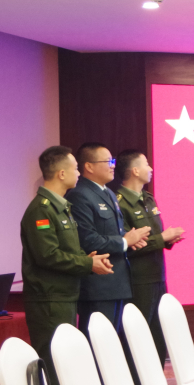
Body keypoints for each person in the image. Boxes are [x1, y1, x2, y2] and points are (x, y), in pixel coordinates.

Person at [21, 146, 112, 385]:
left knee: (66, 361)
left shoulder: (61, 206)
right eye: (74, 168)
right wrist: (87, 263)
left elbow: (67, 250)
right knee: (53, 363)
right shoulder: (41, 209)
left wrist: (88, 259)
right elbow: (47, 255)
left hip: (65, 295)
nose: (78, 173)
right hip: (49, 299)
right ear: (61, 174)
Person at [66, 143, 149, 336]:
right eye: (108, 161)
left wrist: (130, 239)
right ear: (89, 166)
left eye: (113, 161)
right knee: (98, 343)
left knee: (113, 343)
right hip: (98, 286)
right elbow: (88, 240)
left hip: (117, 283)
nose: (113, 165)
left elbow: (113, 231)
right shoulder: (80, 195)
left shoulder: (108, 193)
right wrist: (125, 242)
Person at [115, 150, 185, 363]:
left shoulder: (148, 198)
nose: (151, 168)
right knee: (138, 336)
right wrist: (162, 238)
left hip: (158, 277)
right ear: (135, 171)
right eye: (146, 164)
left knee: (158, 334)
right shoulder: (119, 203)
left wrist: (167, 240)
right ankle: (137, 381)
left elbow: (154, 236)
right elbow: (128, 245)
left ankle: (157, 379)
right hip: (138, 280)